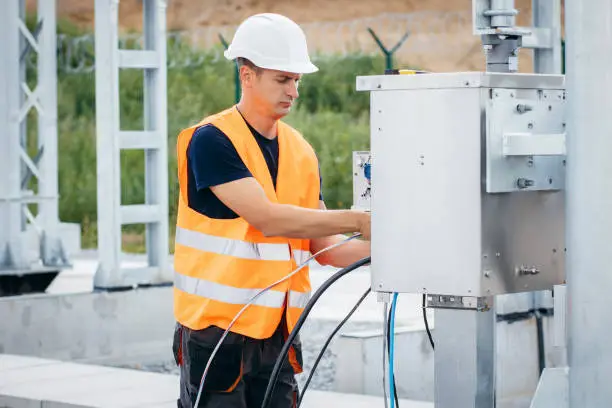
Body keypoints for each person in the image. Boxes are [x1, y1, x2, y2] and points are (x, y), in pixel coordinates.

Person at [172, 13, 371, 408]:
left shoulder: (301, 151)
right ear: (247, 76)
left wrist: (398, 242)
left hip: (278, 336)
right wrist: (360, 220)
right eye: (283, 79)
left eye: (297, 80)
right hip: (218, 334)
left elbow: (327, 249)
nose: (293, 91)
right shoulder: (212, 141)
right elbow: (267, 218)